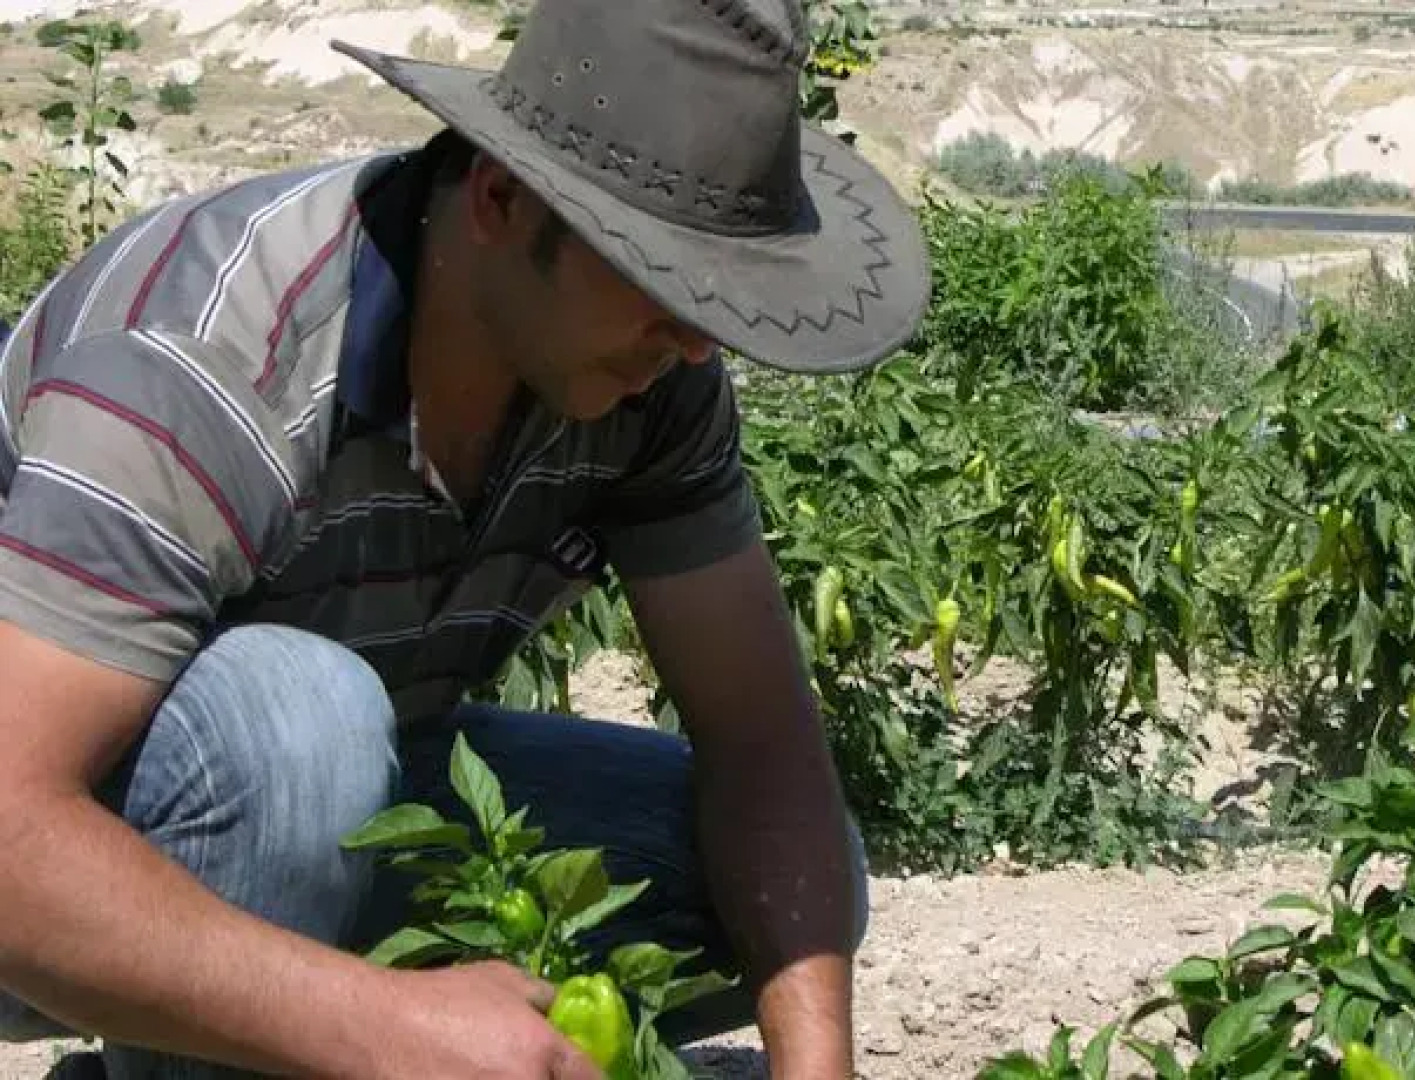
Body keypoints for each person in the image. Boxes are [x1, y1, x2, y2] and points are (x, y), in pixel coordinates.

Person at [0, 0, 929, 1075]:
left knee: (782, 885)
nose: (691, 339)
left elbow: (760, 745)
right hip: (53, 843)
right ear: (497, 199)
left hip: (324, 807)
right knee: (301, 723)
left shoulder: (647, 380)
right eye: (660, 276)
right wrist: (389, 1027)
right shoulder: (211, 363)